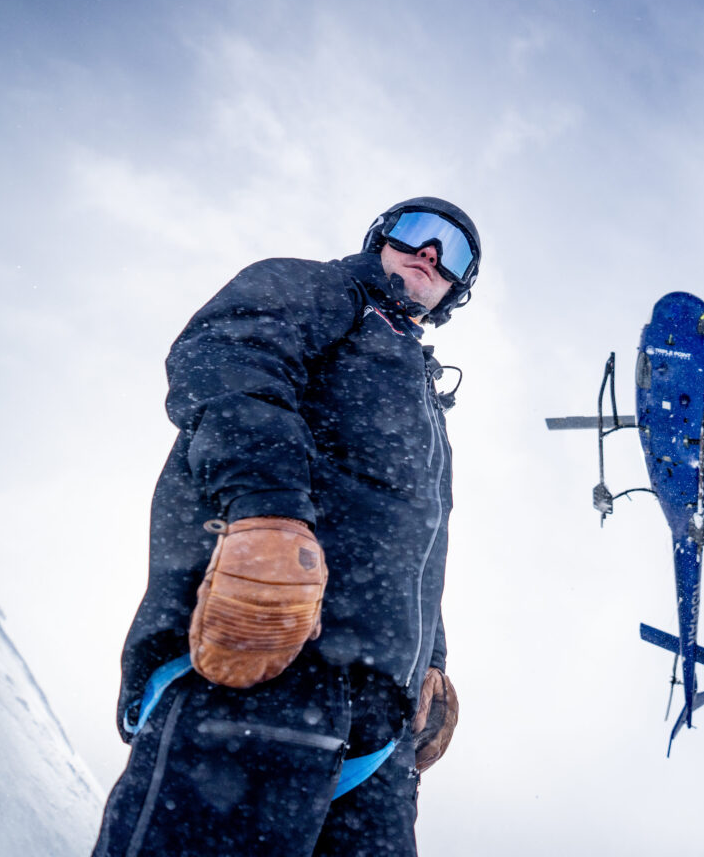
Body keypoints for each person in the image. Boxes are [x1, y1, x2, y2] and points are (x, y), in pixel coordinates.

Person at [91, 197, 480, 857]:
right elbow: (227, 358)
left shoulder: (422, 394)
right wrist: (269, 514)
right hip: (266, 658)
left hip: (378, 739)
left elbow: (415, 547)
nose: (433, 253)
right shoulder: (326, 293)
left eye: (456, 253)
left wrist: (430, 666)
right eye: (418, 232)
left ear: (457, 289)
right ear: (380, 238)